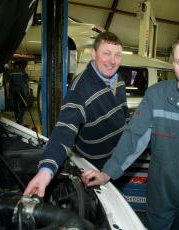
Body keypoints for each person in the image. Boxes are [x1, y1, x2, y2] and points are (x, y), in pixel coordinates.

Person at [82, 32, 179, 230]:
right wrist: (107, 173)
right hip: (161, 191)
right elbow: (134, 136)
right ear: (172, 62)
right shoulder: (156, 95)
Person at [24, 31, 129, 197]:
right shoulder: (80, 88)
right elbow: (64, 130)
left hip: (118, 159)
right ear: (94, 54)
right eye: (106, 54)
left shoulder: (118, 79)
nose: (112, 61)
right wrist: (46, 171)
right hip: (96, 167)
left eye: (118, 55)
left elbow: (123, 112)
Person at [9, 60, 29, 124]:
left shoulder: (11, 72)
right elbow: (27, 82)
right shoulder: (23, 71)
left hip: (14, 91)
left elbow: (8, 83)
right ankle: (20, 118)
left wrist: (8, 92)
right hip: (22, 91)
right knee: (23, 105)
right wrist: (28, 90)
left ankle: (17, 118)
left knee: (15, 105)